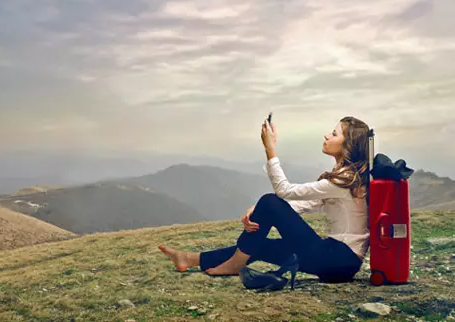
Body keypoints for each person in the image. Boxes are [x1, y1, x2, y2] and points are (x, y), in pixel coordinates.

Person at [159, 116, 371, 286]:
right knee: (260, 244)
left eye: (334, 134)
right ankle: (189, 259)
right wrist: (259, 211)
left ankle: (235, 265)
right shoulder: (345, 178)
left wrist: (270, 149)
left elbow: (284, 191)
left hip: (337, 258)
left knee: (270, 200)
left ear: (348, 145)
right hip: (339, 263)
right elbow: (304, 205)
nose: (326, 135)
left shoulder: (344, 180)